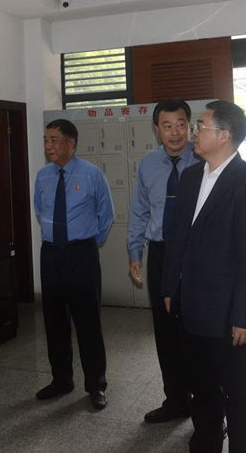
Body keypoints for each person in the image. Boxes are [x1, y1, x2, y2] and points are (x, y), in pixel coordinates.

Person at [161, 100, 246, 452]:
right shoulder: (192, 176)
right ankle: (206, 442)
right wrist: (170, 287)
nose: (193, 132)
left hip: (228, 316)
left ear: (224, 135)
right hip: (191, 308)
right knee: (202, 387)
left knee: (238, 393)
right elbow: (177, 237)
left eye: (200, 126)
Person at [33, 119, 114, 410]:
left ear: (71, 143)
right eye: (46, 140)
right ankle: (61, 380)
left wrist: (86, 242)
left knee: (87, 322)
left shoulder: (91, 174)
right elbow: (40, 210)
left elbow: (106, 214)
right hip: (51, 254)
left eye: (54, 140)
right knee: (54, 321)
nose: (49, 146)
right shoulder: (43, 176)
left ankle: (96, 385)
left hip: (81, 254)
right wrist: (56, 238)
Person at [127, 100, 198, 424]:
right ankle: (176, 401)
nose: (175, 132)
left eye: (181, 124)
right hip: (160, 253)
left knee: (199, 332)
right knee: (166, 331)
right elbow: (139, 211)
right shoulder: (148, 163)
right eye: (167, 126)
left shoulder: (204, 159)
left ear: (190, 126)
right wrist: (135, 253)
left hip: (196, 255)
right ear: (157, 129)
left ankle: (209, 408)